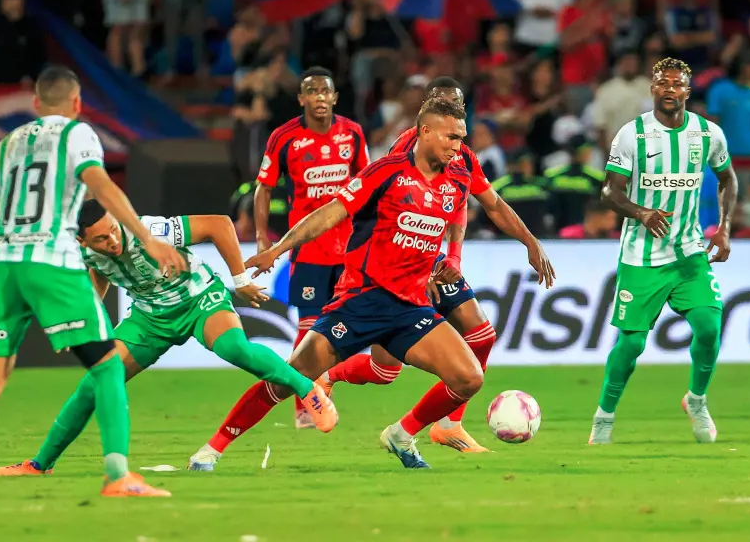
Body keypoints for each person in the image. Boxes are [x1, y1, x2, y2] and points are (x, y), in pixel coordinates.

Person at [189, 97, 555, 471]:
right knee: (287, 380)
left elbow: (494, 207)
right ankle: (211, 450)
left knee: (468, 378)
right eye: (450, 138)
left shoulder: (460, 172)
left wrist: (530, 242)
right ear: (424, 132)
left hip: (410, 307)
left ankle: (401, 433)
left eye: (461, 138)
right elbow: (331, 212)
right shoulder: (387, 171)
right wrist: (279, 248)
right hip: (360, 300)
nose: (457, 147)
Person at [0, 67, 186, 499]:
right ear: (77, 104)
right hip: (53, 261)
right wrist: (147, 236)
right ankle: (118, 475)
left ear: (36, 103)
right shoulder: (78, 136)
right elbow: (101, 186)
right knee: (108, 366)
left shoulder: (8, 143)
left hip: (6, 265)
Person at [0, 200, 336, 477]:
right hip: (150, 318)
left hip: (199, 298)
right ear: (83, 241)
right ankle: (39, 464)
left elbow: (218, 224)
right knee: (94, 383)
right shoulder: (83, 253)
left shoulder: (147, 230)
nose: (112, 240)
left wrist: (240, 278)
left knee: (234, 348)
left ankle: (308, 391)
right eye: (101, 239)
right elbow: (99, 274)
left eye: (112, 230)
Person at [590, 57, 738, 446]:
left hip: (688, 251)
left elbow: (727, 179)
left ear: (688, 91)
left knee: (709, 327)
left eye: (677, 84)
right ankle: (604, 417)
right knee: (632, 344)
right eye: (662, 83)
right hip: (641, 256)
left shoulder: (708, 134)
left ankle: (697, 399)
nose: (669, 89)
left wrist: (723, 229)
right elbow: (609, 191)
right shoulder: (632, 134)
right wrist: (641, 213)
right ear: (652, 89)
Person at [248, 67, 369, 430]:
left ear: (334, 98)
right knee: (309, 326)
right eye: (311, 91)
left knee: (346, 326)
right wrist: (261, 236)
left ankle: (323, 386)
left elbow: (367, 182)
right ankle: (305, 405)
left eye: (325, 91)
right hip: (309, 250)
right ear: (301, 99)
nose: (319, 97)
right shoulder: (284, 138)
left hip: (348, 248)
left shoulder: (353, 134)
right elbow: (263, 187)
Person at [545, 136, 604, 232]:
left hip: (558, 233)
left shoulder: (552, 176)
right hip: (584, 233)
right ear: (583, 152)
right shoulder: (596, 178)